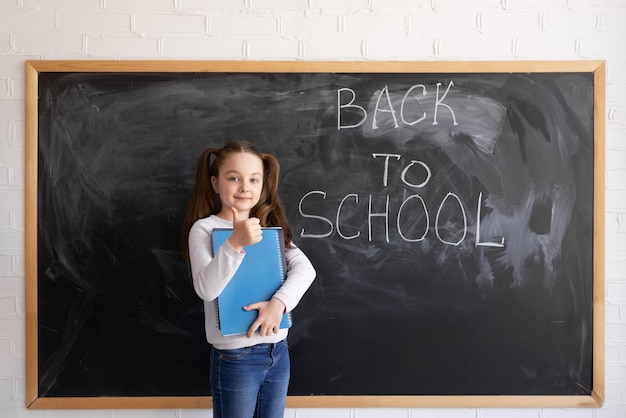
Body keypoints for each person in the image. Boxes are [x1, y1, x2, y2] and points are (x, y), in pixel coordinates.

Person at [182, 141, 316, 418]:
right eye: (234, 178)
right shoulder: (205, 229)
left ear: (263, 186)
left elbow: (306, 269)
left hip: (277, 350)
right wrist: (234, 243)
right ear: (215, 183)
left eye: (254, 179)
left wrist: (278, 304)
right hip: (235, 356)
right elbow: (206, 289)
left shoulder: (266, 228)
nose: (245, 187)